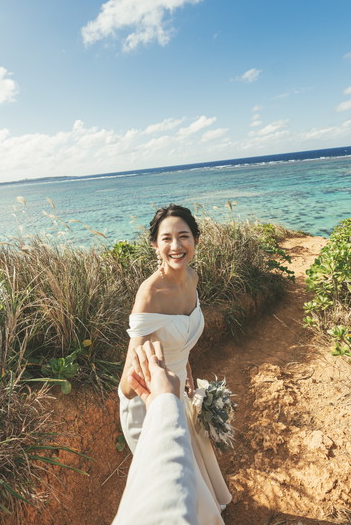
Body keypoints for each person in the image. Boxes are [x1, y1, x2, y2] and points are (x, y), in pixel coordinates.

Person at [117, 204, 232, 523]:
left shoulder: (192, 278)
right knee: (174, 483)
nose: (176, 246)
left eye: (184, 236)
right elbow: (128, 384)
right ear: (155, 245)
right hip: (147, 403)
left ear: (196, 240)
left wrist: (187, 373)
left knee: (193, 470)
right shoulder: (150, 294)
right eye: (166, 238)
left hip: (178, 388)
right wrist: (162, 391)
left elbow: (182, 340)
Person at [112, 340, 202, 524]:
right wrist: (164, 399)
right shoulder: (143, 310)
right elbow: (127, 390)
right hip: (148, 402)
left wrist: (185, 367)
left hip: (167, 392)